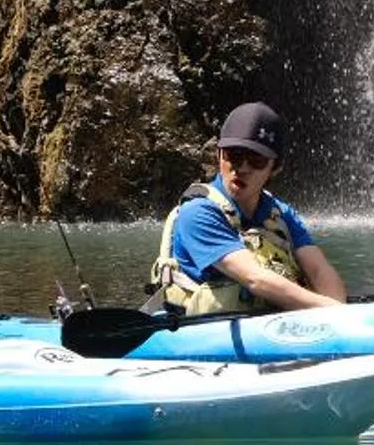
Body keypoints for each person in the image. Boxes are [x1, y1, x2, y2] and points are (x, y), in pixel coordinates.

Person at [145, 102, 348, 314]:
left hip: (266, 326)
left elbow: (318, 269)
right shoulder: (197, 212)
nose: (242, 168)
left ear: (275, 168)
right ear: (219, 154)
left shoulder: (281, 214)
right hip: (202, 333)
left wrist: (339, 311)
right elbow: (255, 279)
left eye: (256, 160)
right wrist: (329, 310)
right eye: (234, 155)